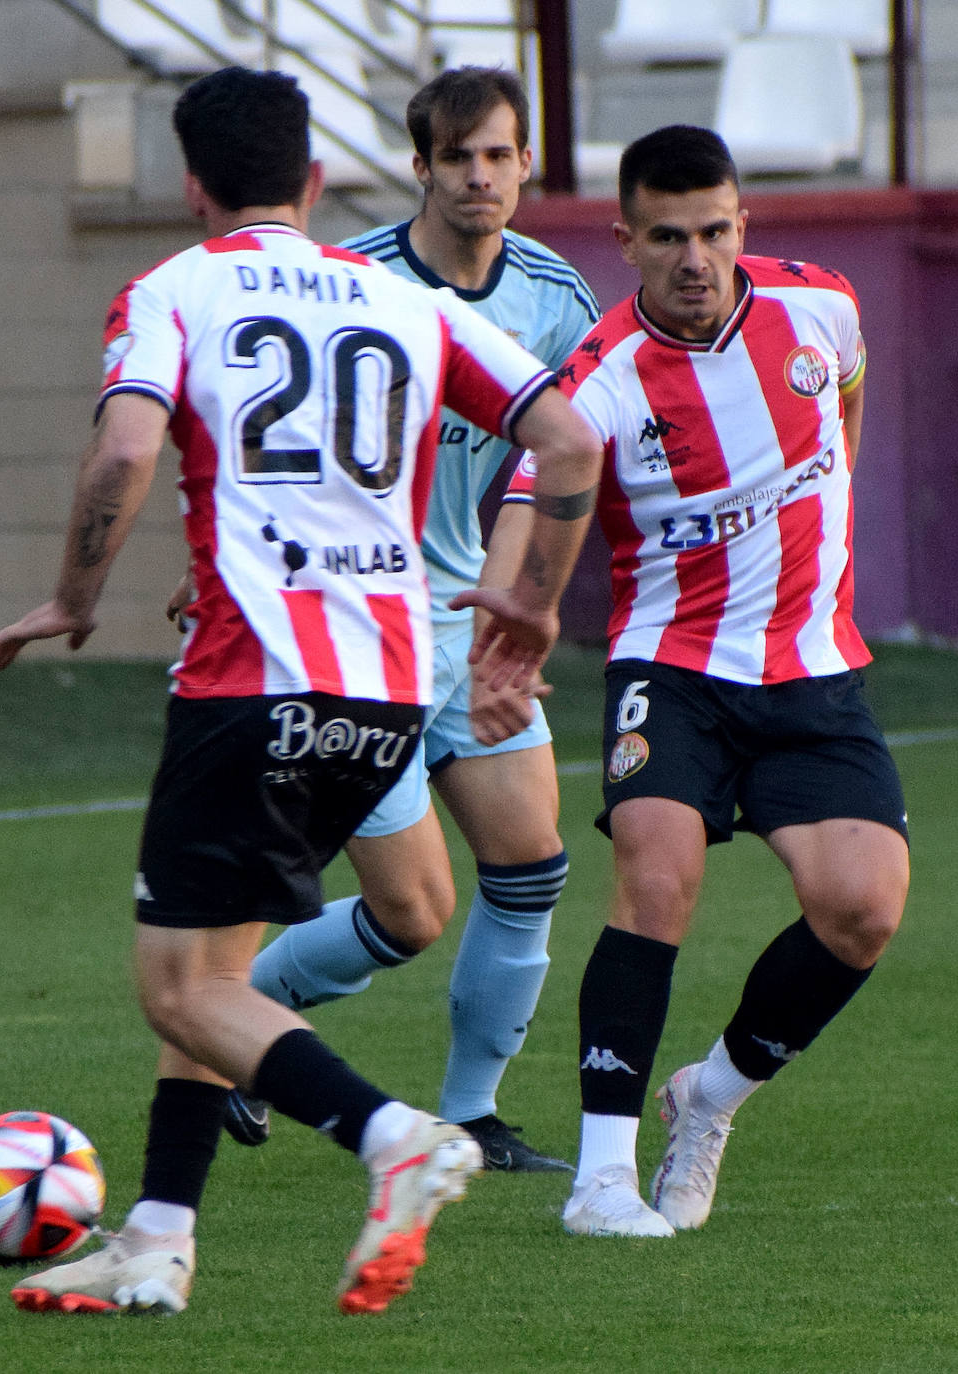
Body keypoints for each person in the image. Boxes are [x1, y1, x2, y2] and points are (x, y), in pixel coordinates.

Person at [0, 65, 602, 1316]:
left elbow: (123, 448)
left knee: (182, 985)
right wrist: (530, 608)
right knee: (213, 964)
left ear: (194, 184)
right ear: (313, 181)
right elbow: (571, 442)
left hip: (250, 679)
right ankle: (156, 1241)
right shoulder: (396, 299)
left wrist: (75, 598)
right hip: (383, 691)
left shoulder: (175, 290)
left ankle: (395, 1138)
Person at [498, 124, 911, 1237]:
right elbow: (537, 497)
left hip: (811, 670)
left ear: (743, 225)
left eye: (715, 230)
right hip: (672, 666)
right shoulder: (602, 379)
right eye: (668, 236)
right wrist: (516, 624)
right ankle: (598, 1181)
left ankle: (712, 1097)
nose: (695, 258)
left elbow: (846, 399)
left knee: (863, 910)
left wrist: (822, 546)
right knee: (656, 875)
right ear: (625, 240)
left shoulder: (817, 307)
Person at [221, 66, 601, 1173]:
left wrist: (517, 609)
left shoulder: (555, 295)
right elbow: (276, 454)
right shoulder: (353, 287)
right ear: (420, 167)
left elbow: (551, 464)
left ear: (526, 164)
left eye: (499, 156)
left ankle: (472, 1116)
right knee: (410, 914)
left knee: (530, 863)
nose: (479, 178)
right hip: (353, 628)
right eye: (457, 158)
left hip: (465, 622)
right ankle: (238, 1024)